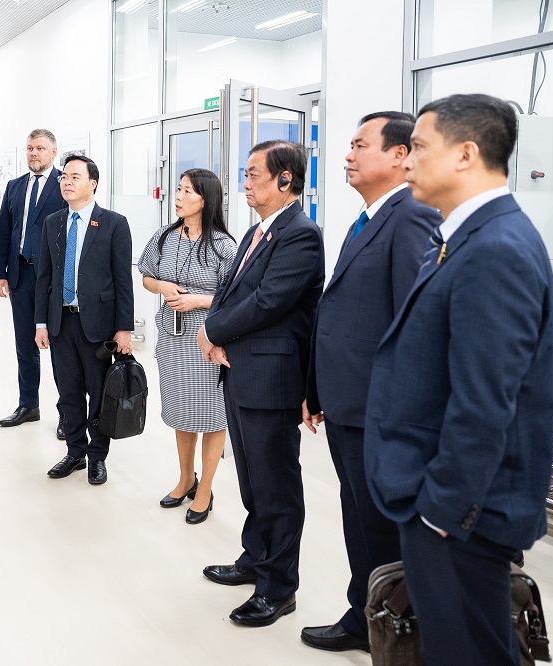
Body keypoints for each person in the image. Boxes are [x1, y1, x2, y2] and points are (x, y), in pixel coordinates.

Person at [364, 94, 553, 665]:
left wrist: (440, 512)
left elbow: (485, 402)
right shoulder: (460, 237)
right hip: (448, 506)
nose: (408, 160)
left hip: (462, 515)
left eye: (420, 148)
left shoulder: (497, 248)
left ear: (466, 154)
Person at [301, 112, 440, 651]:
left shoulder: (412, 218)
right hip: (348, 403)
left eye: (360, 145)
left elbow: (415, 327)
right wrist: (316, 389)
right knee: (360, 521)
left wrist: (399, 414)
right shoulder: (367, 219)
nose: (348, 155)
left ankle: (397, 635)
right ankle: (368, 618)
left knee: (382, 528)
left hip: (380, 410)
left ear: (401, 155)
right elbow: (340, 315)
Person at [198, 141, 324, 626]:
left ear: (285, 180)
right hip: (240, 370)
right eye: (245, 174)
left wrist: (212, 331)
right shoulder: (257, 230)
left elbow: (269, 301)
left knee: (276, 486)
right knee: (252, 480)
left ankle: (278, 587)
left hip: (272, 378)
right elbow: (229, 292)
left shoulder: (301, 235)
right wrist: (214, 331)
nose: (245, 183)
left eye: (253, 174)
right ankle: (255, 558)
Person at [138, 168, 236, 524]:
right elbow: (146, 275)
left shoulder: (224, 246)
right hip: (172, 339)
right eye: (178, 189)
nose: (178, 197)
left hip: (208, 341)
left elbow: (236, 297)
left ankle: (205, 488)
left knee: (211, 415)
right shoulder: (164, 237)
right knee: (182, 411)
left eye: (187, 192)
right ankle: (185, 478)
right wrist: (161, 286)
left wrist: (197, 300)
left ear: (206, 200)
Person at [34, 155, 133, 485]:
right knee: (69, 393)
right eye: (64, 176)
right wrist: (40, 323)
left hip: (98, 326)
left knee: (98, 395)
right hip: (61, 323)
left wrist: (124, 328)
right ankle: (75, 452)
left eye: (75, 176)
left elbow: (123, 281)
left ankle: (97, 456)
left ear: (93, 183)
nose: (66, 181)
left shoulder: (114, 223)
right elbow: (43, 277)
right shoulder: (52, 223)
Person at [0, 129, 65, 434]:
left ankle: (67, 413)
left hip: (54, 279)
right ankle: (28, 405)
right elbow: (3, 231)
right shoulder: (15, 186)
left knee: (60, 347)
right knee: (25, 344)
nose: (34, 153)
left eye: (40, 148)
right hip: (20, 275)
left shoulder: (64, 184)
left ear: (53, 152)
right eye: (30, 148)